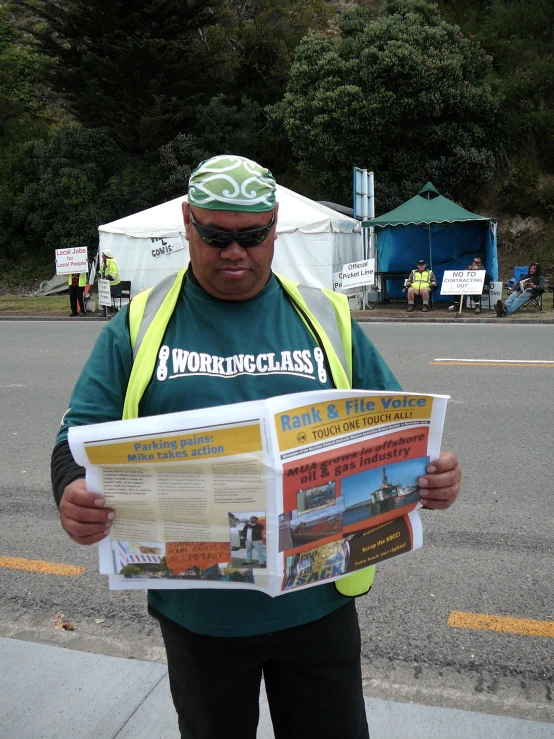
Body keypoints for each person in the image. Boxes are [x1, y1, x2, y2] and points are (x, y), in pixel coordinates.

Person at [51, 154, 461, 739]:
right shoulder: (138, 325)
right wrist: (70, 489)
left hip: (318, 606)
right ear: (187, 221)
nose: (234, 252)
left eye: (252, 236)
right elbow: (74, 435)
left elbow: (400, 431)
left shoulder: (327, 316)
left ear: (275, 224)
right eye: (215, 235)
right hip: (200, 617)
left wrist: (436, 474)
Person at [99, 247, 122, 314]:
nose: (101, 256)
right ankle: (107, 310)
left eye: (103, 254)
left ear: (106, 255)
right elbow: (101, 271)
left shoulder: (112, 263)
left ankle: (109, 310)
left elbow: (113, 274)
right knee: (103, 296)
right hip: (106, 284)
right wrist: (98, 276)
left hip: (114, 285)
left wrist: (106, 277)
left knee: (105, 297)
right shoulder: (103, 262)